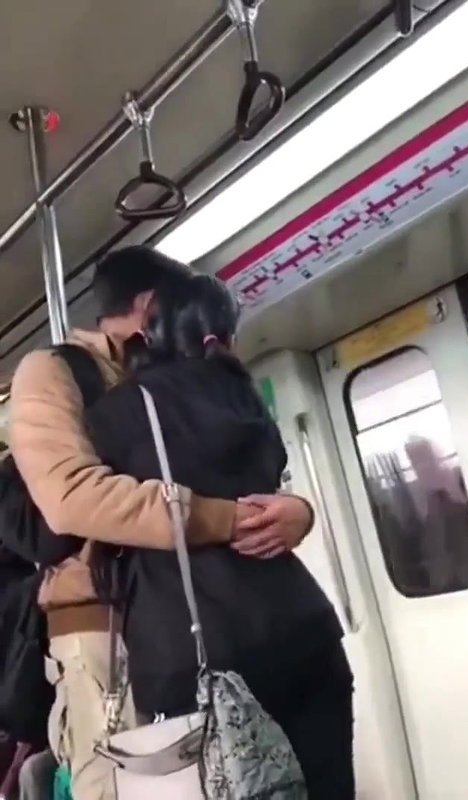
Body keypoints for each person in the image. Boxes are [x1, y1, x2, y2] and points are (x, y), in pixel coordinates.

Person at [8, 246, 315, 800]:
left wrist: (297, 510)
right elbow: (73, 497)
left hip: (208, 610)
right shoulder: (56, 372)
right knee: (130, 783)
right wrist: (225, 519)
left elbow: (245, 470)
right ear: (152, 304)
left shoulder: (180, 370)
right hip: (107, 624)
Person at [86, 270, 355, 799]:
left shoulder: (116, 413)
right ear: (218, 338)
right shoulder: (245, 397)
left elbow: (65, 530)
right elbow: (273, 487)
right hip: (303, 630)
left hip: (194, 650)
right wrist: (299, 510)